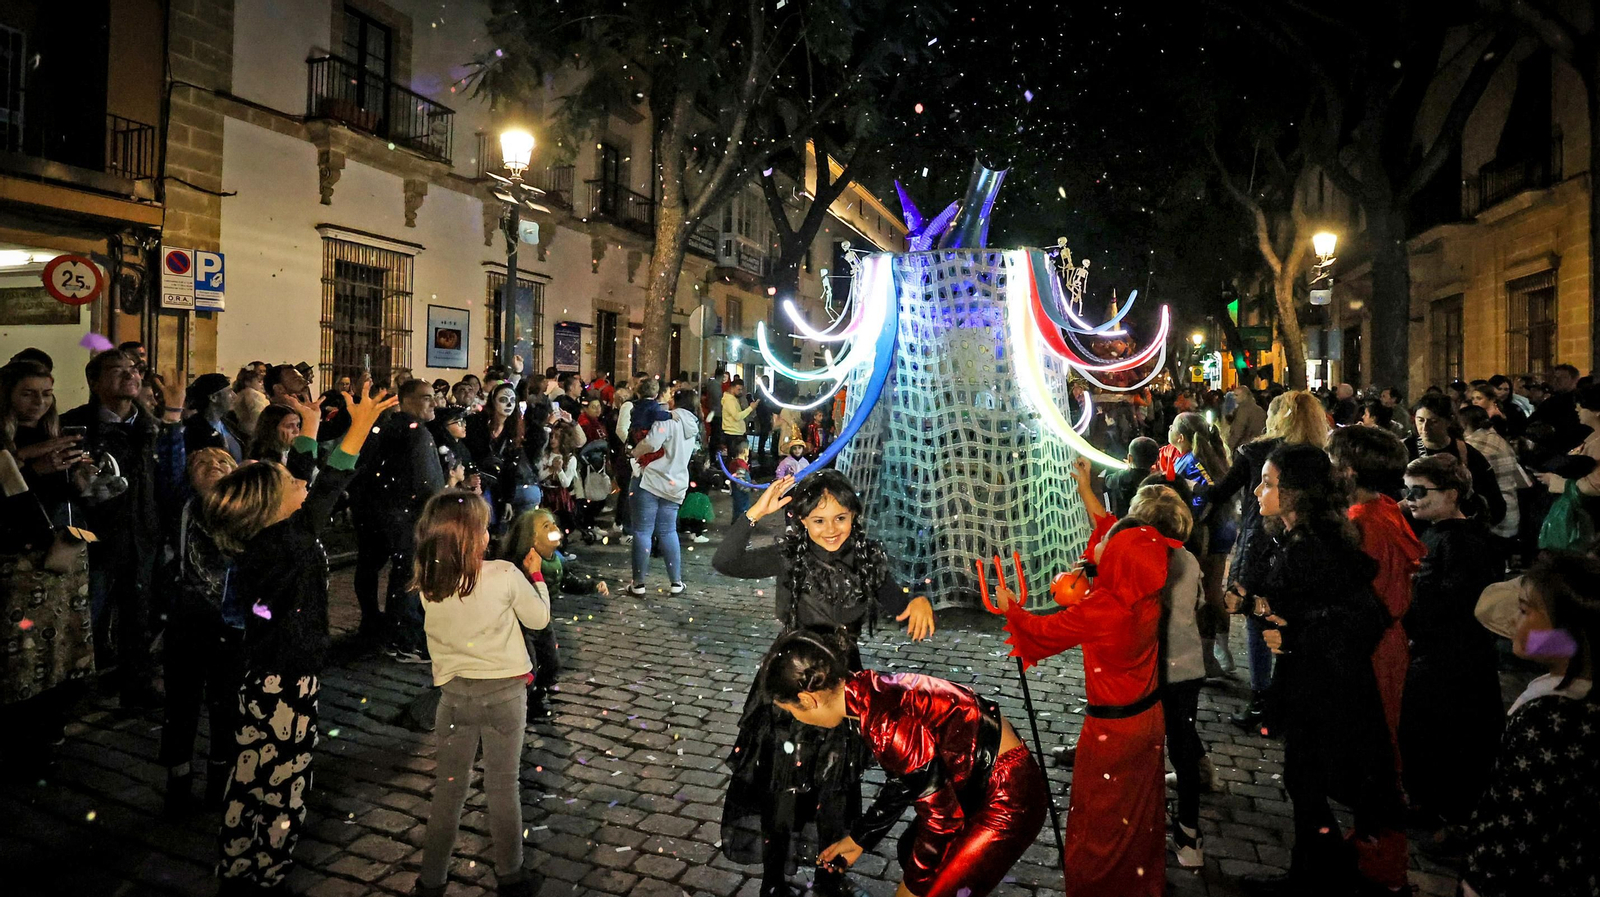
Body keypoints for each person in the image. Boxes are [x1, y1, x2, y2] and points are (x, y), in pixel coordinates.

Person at [206, 384, 394, 894]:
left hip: (269, 670)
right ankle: (266, 870)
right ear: (272, 504)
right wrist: (355, 430)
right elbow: (329, 483)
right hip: (283, 678)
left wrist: (314, 429)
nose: (299, 481)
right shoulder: (284, 544)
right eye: (289, 480)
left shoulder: (274, 538)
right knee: (282, 778)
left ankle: (241, 862)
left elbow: (316, 480)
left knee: (253, 772)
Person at [714, 470, 934, 897]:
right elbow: (725, 561)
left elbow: (899, 603)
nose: (831, 529)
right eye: (819, 520)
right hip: (793, 677)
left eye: (840, 518)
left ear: (854, 516)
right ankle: (775, 883)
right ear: (801, 522)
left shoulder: (867, 556)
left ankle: (829, 877)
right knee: (784, 787)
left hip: (843, 686)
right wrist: (756, 513)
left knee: (837, 783)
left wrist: (918, 600)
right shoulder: (789, 554)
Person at [761, 629, 1045, 897]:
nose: (796, 720)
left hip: (1008, 797)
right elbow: (908, 776)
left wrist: (912, 888)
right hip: (978, 780)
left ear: (807, 700)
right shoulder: (865, 691)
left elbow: (941, 819)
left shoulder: (883, 721)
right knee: (910, 849)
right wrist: (860, 838)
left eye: (790, 712)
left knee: (935, 886)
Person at [1237, 444, 1404, 897]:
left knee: (1309, 776)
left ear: (1294, 493)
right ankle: (1316, 870)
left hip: (1328, 683)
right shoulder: (1302, 536)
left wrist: (1290, 636)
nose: (1257, 490)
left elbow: (1358, 618)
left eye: (1268, 483)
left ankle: (1325, 872)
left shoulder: (1315, 543)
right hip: (1311, 675)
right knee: (1302, 776)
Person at [997, 515, 1171, 897]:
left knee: (1099, 819)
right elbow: (1113, 539)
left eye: (1108, 540)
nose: (1100, 541)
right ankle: (1138, 884)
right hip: (1148, 720)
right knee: (1138, 817)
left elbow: (1043, 633)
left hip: (1113, 732)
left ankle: (1097, 887)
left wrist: (1011, 608)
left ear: (1120, 558)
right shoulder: (1143, 592)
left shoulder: (1106, 608)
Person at [410, 491, 549, 897]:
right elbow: (538, 620)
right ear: (473, 537)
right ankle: (511, 875)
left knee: (448, 792)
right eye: (484, 528)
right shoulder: (504, 575)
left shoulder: (429, 583)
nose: (490, 534)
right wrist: (536, 577)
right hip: (504, 694)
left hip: (453, 698)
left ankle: (431, 881)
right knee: (503, 787)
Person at [1459, 552, 1598, 897]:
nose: (1512, 621)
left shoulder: (1552, 719)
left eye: (1522, 610)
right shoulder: (1575, 695)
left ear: (1570, 632)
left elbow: (1518, 828)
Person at [1398, 454, 1505, 842]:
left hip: (1454, 662)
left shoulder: (1463, 542)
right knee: (1424, 737)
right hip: (1434, 654)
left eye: (1419, 491)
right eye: (1407, 490)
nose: (1410, 499)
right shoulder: (1437, 532)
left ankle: (1454, 820)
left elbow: (1458, 603)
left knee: (1452, 743)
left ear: (1453, 494)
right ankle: (1426, 802)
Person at [0, 360, 95, 779]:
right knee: (21, 657)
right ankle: (20, 743)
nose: (39, 402)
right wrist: (31, 467)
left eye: (46, 393)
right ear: (7, 395)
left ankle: (50, 732)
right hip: (16, 564)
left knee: (60, 652)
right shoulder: (5, 440)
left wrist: (80, 477)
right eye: (28, 393)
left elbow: (68, 497)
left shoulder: (52, 435)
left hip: (62, 557)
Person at [60, 349, 163, 708]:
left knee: (137, 615)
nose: (130, 376)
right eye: (117, 371)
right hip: (94, 539)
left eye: (133, 370)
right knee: (87, 616)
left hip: (142, 536)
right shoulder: (75, 426)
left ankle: (136, 685)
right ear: (94, 381)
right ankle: (75, 693)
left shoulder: (150, 425)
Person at [159, 445, 242, 814]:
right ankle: (178, 776)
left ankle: (220, 776)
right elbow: (169, 464)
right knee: (181, 702)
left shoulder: (246, 512)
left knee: (227, 704)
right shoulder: (183, 507)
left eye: (224, 462)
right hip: (186, 621)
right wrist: (175, 419)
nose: (215, 467)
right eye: (203, 463)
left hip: (231, 625)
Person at [359, 379, 445, 661]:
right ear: (406, 400)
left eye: (434, 397)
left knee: (395, 572)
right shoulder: (416, 433)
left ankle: (386, 630)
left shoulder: (388, 427)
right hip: (407, 516)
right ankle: (405, 641)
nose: (433, 402)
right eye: (426, 398)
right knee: (409, 576)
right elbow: (428, 482)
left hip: (385, 512)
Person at [498, 507, 607, 721]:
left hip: (543, 622)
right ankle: (523, 704)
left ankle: (539, 695)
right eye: (546, 526)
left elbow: (566, 581)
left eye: (554, 524)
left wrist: (592, 586)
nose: (555, 528)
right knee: (528, 667)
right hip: (522, 626)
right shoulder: (523, 563)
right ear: (532, 539)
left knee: (552, 662)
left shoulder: (555, 560)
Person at [1169, 411, 1236, 678]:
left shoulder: (1191, 462)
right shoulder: (1209, 456)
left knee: (1206, 594)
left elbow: (1202, 500)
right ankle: (1218, 652)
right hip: (1220, 530)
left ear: (1180, 436)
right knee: (1212, 591)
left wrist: (1190, 525)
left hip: (1206, 534)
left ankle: (1211, 656)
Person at [627, 388, 699, 595]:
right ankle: (676, 582)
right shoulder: (692, 425)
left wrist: (634, 452)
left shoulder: (668, 420)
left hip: (651, 480)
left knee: (642, 531)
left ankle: (638, 583)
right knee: (668, 531)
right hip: (675, 483)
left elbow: (652, 442)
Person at [1412, 393, 1506, 534]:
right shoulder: (1406, 450)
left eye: (1433, 421)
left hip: (1457, 533)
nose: (1424, 428)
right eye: (1420, 420)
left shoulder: (1466, 453)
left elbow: (1494, 499)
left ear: (1449, 421)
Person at [1459, 404, 1528, 553]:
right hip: (1511, 510)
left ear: (1463, 424)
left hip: (1495, 518)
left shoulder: (1474, 446)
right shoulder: (1497, 439)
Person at [184, 373, 246, 463]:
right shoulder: (194, 430)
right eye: (229, 392)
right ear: (214, 398)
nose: (234, 396)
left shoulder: (229, 424)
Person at [1104, 436, 1160, 519]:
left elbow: (1108, 481)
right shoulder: (1156, 480)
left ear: (1129, 458)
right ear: (1156, 460)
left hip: (1125, 521)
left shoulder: (1122, 476)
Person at [720, 379, 758, 449]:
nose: (740, 392)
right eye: (738, 389)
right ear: (732, 388)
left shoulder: (734, 399)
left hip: (737, 432)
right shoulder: (729, 400)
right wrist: (750, 408)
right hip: (733, 433)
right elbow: (737, 416)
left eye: (741, 390)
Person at [727, 438, 754, 522]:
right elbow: (740, 481)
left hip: (738, 492)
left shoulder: (735, 462)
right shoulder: (740, 464)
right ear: (745, 450)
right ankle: (738, 527)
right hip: (741, 493)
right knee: (741, 510)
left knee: (737, 509)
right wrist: (750, 488)